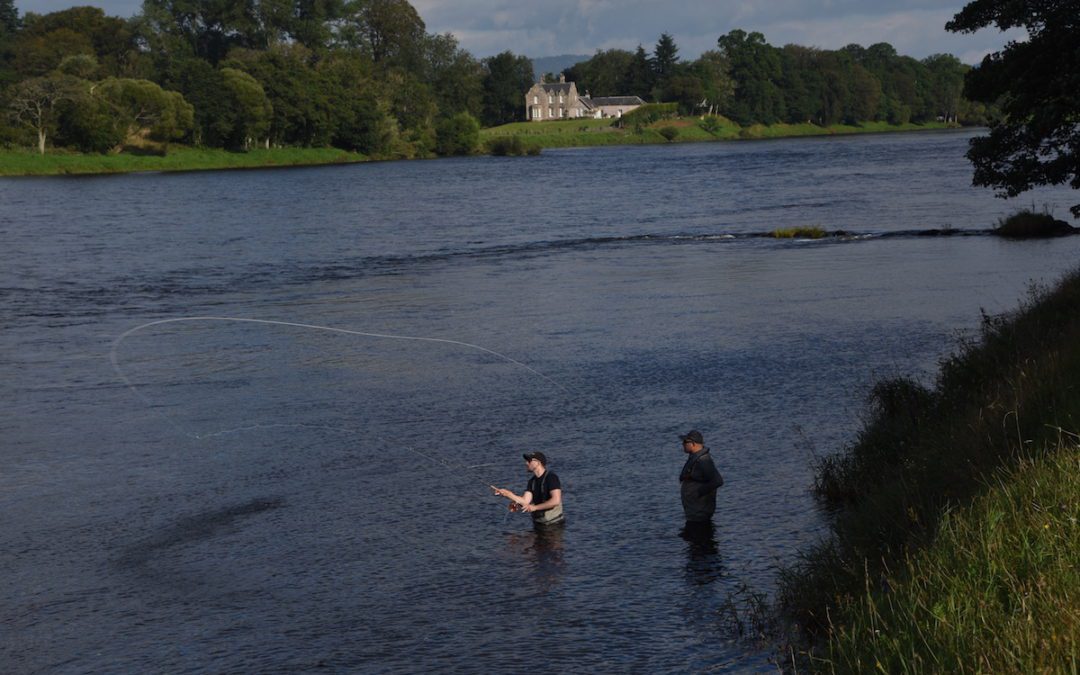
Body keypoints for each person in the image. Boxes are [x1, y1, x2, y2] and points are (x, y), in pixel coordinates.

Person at [492, 451, 564, 527]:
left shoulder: (551, 477)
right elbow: (525, 501)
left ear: (538, 462)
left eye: (529, 461)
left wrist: (535, 507)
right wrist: (507, 494)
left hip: (554, 525)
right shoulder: (532, 482)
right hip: (539, 525)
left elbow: (556, 500)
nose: (526, 463)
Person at [678, 429, 723, 526]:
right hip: (694, 513)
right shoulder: (696, 458)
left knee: (700, 539)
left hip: (700, 514)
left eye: (685, 442)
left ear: (693, 444)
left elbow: (717, 481)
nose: (682, 444)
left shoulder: (704, 461)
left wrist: (698, 493)